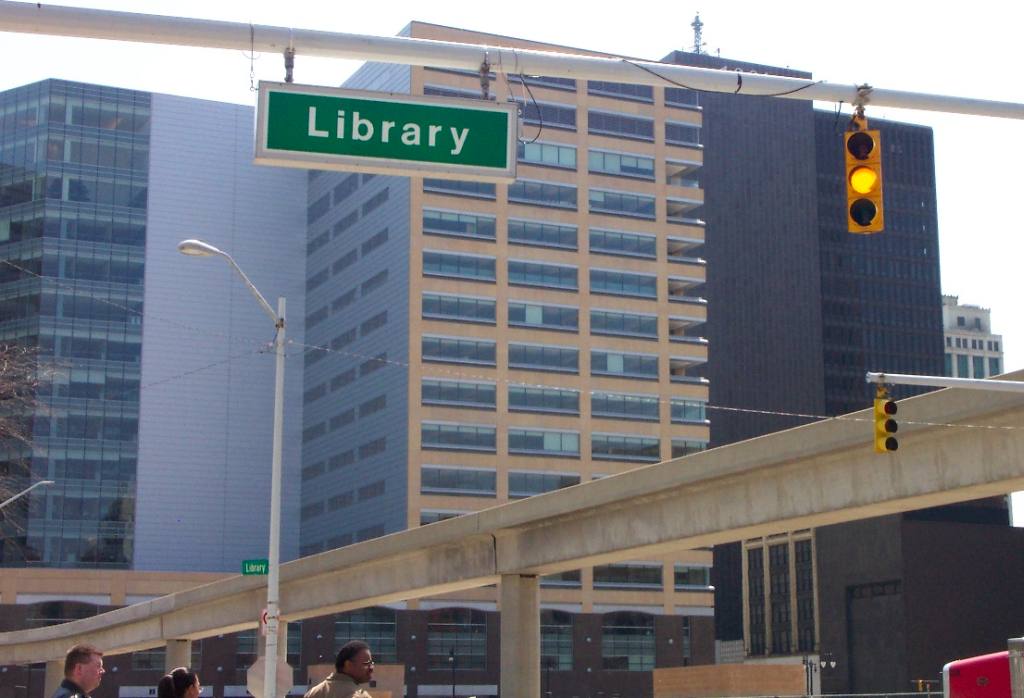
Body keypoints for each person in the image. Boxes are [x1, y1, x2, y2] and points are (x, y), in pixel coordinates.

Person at [303, 640, 374, 698]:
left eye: (371, 663)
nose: (371, 668)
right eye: (367, 663)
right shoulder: (359, 695)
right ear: (348, 665)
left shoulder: (312, 693)